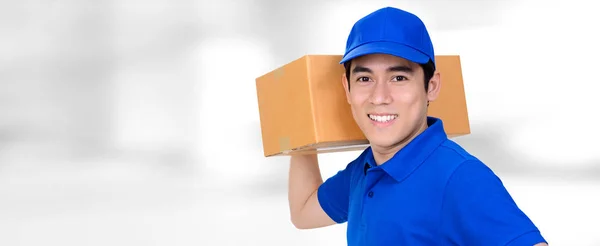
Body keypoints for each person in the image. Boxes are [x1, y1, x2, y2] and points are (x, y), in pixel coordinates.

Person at [287, 6, 548, 246]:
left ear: (431, 86)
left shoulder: (460, 177)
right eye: (365, 78)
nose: (379, 97)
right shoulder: (365, 171)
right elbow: (303, 213)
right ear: (347, 89)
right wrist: (301, 124)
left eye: (398, 77)